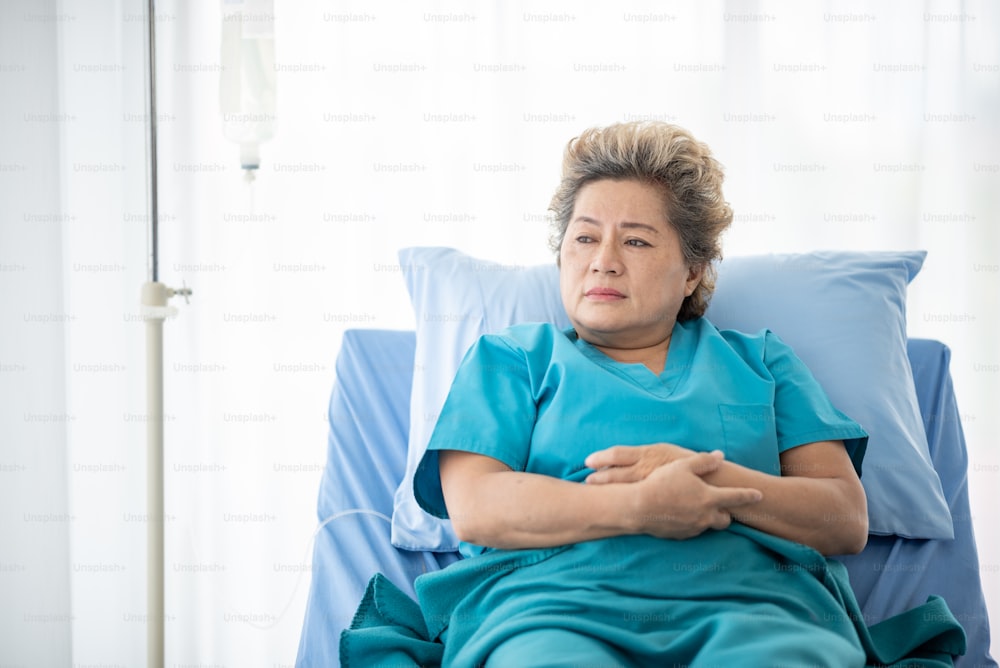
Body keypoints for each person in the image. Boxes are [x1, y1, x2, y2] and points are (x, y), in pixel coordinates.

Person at [340, 122, 963, 667]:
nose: (603, 261)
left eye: (635, 240)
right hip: (548, 610)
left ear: (694, 269)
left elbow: (843, 518)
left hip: (758, 609)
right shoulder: (511, 361)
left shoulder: (763, 363)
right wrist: (642, 507)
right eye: (584, 238)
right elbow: (479, 507)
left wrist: (708, 486)